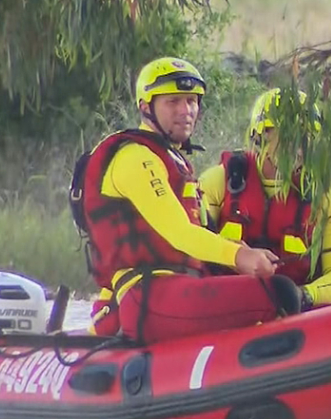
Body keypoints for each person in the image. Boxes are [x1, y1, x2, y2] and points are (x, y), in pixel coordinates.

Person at [69, 58, 302, 343]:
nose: (186, 111)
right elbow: (180, 233)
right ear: (146, 107)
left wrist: (241, 253)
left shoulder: (172, 160)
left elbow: (199, 239)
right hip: (148, 297)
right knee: (281, 293)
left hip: (179, 291)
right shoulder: (134, 157)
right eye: (173, 102)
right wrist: (240, 256)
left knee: (278, 288)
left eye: (192, 101)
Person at [199, 88, 331, 312]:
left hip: (299, 317)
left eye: (307, 136)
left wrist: (302, 296)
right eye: (288, 136)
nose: (300, 146)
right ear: (262, 135)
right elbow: (190, 244)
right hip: (226, 312)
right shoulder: (218, 181)